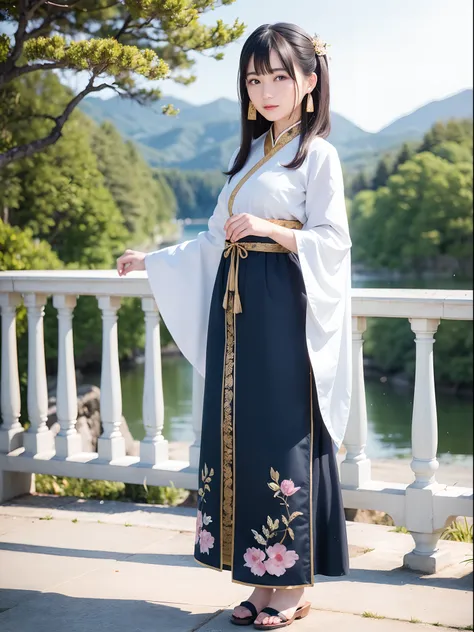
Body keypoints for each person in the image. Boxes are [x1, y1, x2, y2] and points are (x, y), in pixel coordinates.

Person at [117, 22, 352, 631]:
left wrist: (273, 230)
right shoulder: (248, 154)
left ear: (309, 81)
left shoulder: (317, 155)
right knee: (239, 435)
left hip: (283, 310)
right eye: (255, 78)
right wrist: (155, 260)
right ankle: (257, 581)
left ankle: (292, 585)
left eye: (280, 75)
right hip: (237, 310)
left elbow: (332, 242)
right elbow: (212, 238)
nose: (267, 89)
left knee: (282, 435)